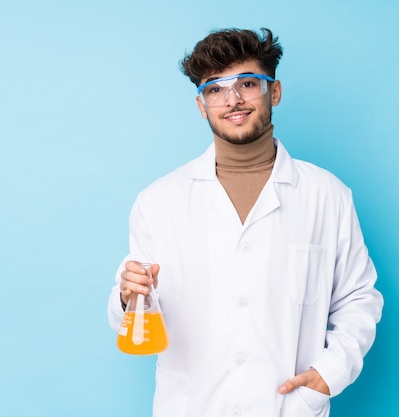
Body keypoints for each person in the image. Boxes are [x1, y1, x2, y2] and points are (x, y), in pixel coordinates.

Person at [108, 27, 383, 417]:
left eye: (248, 83)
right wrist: (126, 294)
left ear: (275, 92)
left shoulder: (327, 194)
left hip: (287, 407)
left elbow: (359, 297)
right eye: (215, 89)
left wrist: (329, 372)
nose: (232, 99)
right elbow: (134, 308)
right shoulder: (158, 200)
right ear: (202, 105)